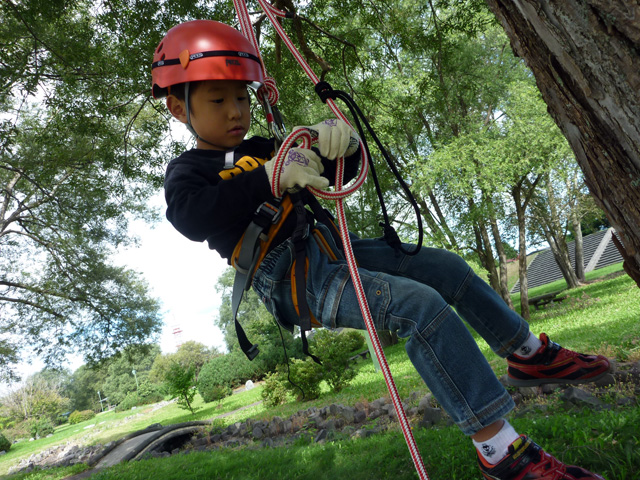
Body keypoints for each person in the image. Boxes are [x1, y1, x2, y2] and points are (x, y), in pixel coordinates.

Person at [153, 19, 610, 480]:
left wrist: (341, 142)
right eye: (218, 100)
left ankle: (528, 354)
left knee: (444, 268)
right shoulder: (189, 171)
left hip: (332, 248)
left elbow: (339, 171)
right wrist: (267, 176)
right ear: (177, 107)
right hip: (296, 277)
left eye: (242, 98)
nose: (235, 111)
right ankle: (501, 452)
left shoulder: (269, 145)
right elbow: (190, 216)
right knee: (419, 307)